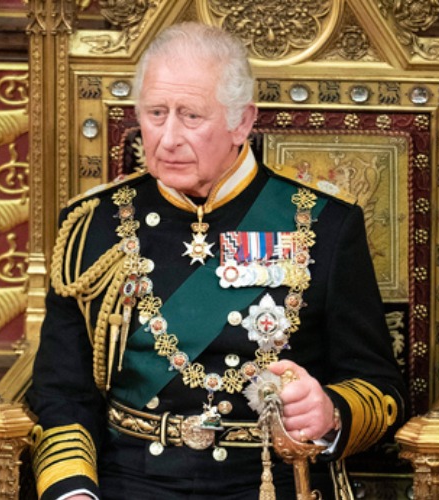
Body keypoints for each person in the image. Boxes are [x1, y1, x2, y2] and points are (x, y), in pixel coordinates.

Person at [26, 22, 407, 500]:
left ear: (241, 122)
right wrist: (73, 492)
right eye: (156, 113)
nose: (167, 138)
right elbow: (61, 387)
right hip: (128, 482)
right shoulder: (93, 224)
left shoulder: (325, 224)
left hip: (270, 481)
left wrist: (330, 413)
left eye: (190, 116)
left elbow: (381, 388)